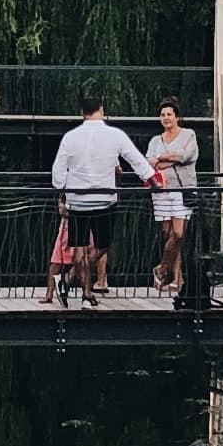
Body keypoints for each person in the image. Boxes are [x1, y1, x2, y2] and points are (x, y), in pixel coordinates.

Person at [49, 94, 151, 301]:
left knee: (78, 248)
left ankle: (82, 289)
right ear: (101, 110)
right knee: (103, 244)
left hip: (78, 200)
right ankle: (77, 284)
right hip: (105, 199)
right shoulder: (115, 135)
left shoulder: (70, 137)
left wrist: (61, 188)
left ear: (82, 113)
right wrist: (151, 177)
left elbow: (58, 168)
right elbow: (134, 158)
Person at [147, 99, 199, 302]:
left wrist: (164, 158)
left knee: (178, 233)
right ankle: (176, 278)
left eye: (169, 114)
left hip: (182, 189)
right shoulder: (155, 140)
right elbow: (151, 161)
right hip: (161, 190)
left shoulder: (189, 135)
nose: (166, 118)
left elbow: (187, 156)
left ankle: (162, 268)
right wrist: (170, 158)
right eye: (162, 115)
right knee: (167, 233)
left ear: (176, 116)